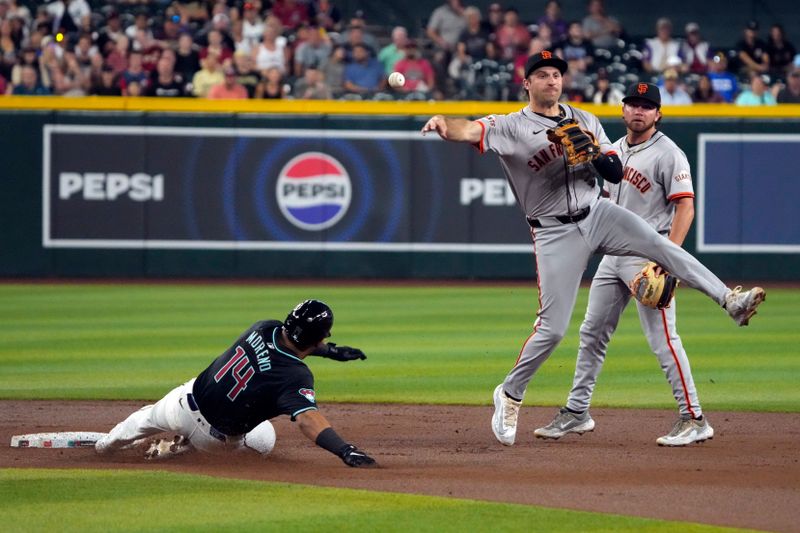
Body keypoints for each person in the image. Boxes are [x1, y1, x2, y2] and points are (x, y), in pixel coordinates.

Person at [420, 51, 766, 447]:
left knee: (658, 244)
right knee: (553, 330)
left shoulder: (585, 119)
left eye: (556, 75)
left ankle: (729, 300)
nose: (552, 81)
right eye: (543, 75)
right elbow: (469, 130)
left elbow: (614, 172)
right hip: (554, 232)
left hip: (597, 212)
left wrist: (595, 153)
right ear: (527, 84)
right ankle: (511, 393)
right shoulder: (511, 126)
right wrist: (445, 125)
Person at [534, 82, 717, 447]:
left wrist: (668, 258)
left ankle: (694, 418)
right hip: (613, 256)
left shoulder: (669, 153)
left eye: (646, 107)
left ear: (658, 114)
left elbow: (686, 206)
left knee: (663, 339)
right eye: (632, 104)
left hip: (648, 259)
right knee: (592, 334)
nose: (638, 111)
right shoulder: (612, 150)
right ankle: (577, 412)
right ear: (622, 110)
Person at [96, 299, 377, 468]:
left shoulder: (264, 327)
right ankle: (179, 452)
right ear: (318, 338)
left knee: (143, 418)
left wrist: (329, 351)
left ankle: (106, 446)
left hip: (181, 403)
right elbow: (307, 419)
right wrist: (344, 449)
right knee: (264, 438)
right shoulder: (296, 376)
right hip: (213, 441)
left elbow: (294, 340)